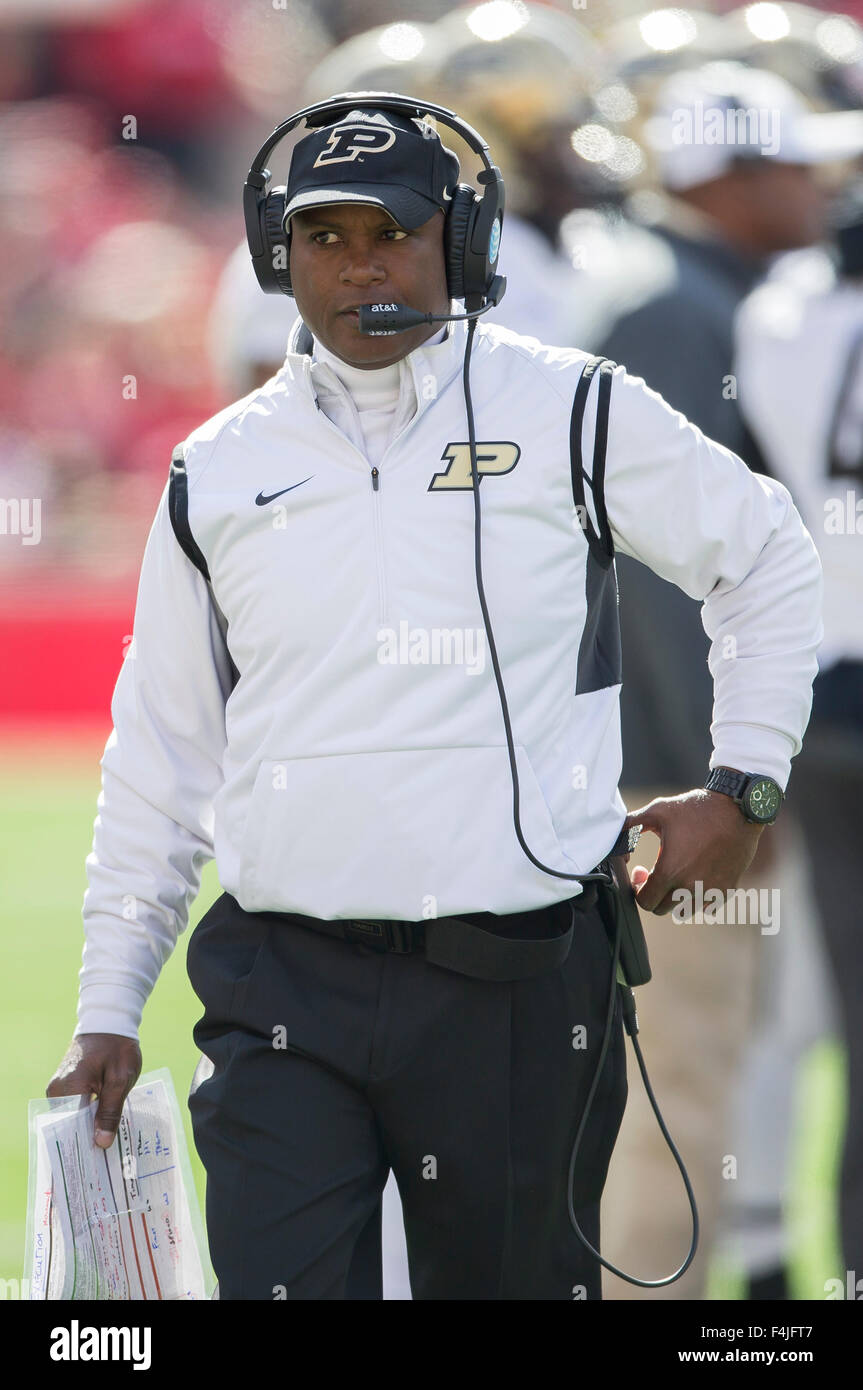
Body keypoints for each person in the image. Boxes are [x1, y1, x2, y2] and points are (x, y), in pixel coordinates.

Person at [46, 96, 822, 1301]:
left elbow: (765, 553)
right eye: (322, 238)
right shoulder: (218, 468)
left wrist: (744, 780)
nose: (357, 266)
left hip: (514, 987)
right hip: (279, 988)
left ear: (459, 248)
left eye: (390, 234)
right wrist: (107, 1006)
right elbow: (159, 754)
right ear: (274, 256)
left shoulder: (571, 406)